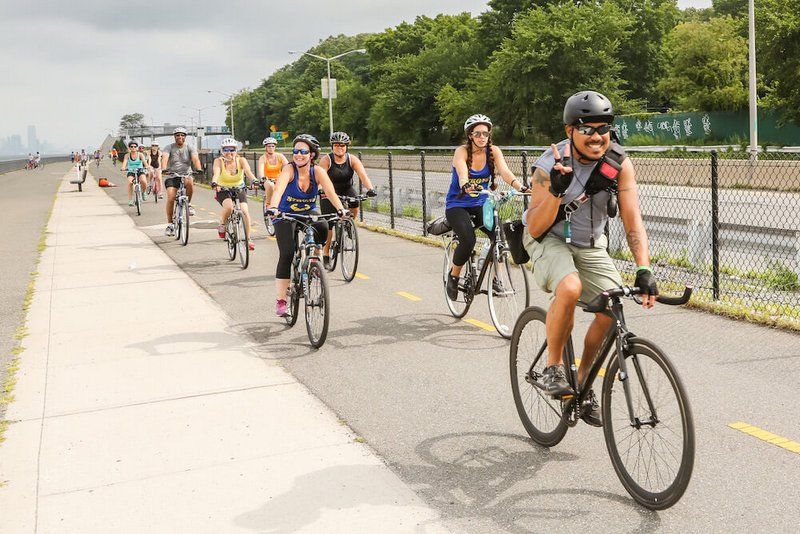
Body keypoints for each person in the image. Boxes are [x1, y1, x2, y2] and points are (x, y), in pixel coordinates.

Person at [522, 90, 658, 427]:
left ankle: (582, 383)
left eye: (604, 128)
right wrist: (555, 190)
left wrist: (643, 268)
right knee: (569, 287)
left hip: (589, 244)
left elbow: (632, 219)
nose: (597, 136)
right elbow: (536, 227)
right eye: (587, 128)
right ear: (570, 131)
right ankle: (553, 367)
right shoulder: (548, 164)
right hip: (547, 239)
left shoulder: (618, 164)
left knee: (613, 308)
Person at [444, 114, 530, 300]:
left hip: (481, 203)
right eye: (477, 133)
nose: (482, 137)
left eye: (485, 133)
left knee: (499, 237)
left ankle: (497, 280)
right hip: (457, 205)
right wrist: (466, 185)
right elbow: (461, 171)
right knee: (468, 240)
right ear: (470, 136)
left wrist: (520, 187)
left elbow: (505, 172)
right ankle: (453, 275)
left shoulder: (493, 151)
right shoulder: (462, 151)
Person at [266, 134, 347, 317]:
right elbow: (278, 190)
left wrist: (341, 209)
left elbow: (330, 191)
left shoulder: (317, 171)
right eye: (296, 151)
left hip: (307, 212)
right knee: (287, 254)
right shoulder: (289, 169)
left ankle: (314, 260)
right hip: (284, 214)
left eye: (303, 151)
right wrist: (273, 208)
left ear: (312, 154)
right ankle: (281, 301)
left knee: (323, 226)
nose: (298, 155)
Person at [318, 131, 377, 266]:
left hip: (346, 188)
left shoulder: (352, 159)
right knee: (329, 225)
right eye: (337, 145)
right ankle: (326, 253)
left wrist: (370, 189)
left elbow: (363, 175)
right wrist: (321, 189)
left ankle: (349, 224)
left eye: (343, 145)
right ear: (332, 146)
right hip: (329, 192)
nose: (340, 148)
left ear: (347, 147)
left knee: (355, 202)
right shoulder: (326, 160)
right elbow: (320, 177)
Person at [210, 138, 258, 251]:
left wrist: (255, 181)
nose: (229, 152)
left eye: (232, 150)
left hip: (239, 188)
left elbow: (248, 172)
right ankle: (222, 224)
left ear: (236, 151)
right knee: (229, 207)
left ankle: (248, 238)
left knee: (245, 211)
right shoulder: (218, 161)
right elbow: (216, 173)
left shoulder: (241, 160)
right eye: (226, 149)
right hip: (223, 189)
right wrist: (214, 183)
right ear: (222, 151)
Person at [161, 127, 202, 236]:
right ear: (174, 137)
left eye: (182, 135)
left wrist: (198, 168)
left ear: (185, 137)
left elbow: (195, 159)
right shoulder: (168, 147)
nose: (180, 137)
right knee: (170, 197)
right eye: (177, 135)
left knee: (189, 182)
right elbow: (164, 158)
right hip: (172, 175)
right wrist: (164, 168)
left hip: (185, 174)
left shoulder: (190, 147)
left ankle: (189, 204)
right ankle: (170, 224)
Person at [256, 136, 288, 208]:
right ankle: (269, 205)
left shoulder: (280, 156)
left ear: (275, 147)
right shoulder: (263, 158)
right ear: (265, 147)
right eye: (269, 146)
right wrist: (263, 177)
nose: (271, 148)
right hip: (267, 180)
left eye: (273, 146)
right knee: (270, 185)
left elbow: (288, 166)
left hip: (279, 179)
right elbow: (261, 170)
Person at [120, 140, 149, 206]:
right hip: (131, 171)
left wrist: (147, 166)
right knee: (130, 183)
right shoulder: (127, 155)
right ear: (129, 148)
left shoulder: (140, 154)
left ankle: (143, 192)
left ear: (137, 147)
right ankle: (130, 200)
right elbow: (125, 162)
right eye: (131, 146)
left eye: (135, 146)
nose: (133, 148)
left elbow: (144, 162)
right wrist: (123, 167)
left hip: (140, 170)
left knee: (143, 181)